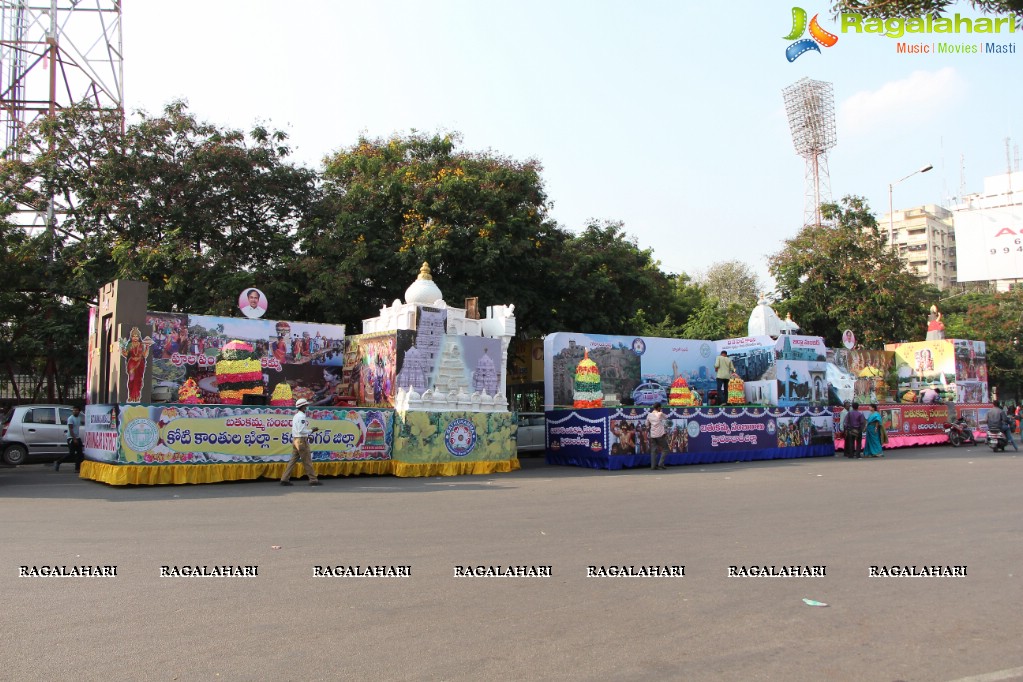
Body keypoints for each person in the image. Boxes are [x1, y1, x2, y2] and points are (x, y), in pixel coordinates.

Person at [280, 399, 322, 486]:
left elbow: (298, 430)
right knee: (307, 461)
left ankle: (284, 478)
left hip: (296, 439)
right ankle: (313, 479)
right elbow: (301, 430)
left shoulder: (296, 416)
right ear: (303, 407)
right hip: (301, 440)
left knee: (292, 460)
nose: (307, 407)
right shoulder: (302, 416)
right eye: (306, 406)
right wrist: (312, 430)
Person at [54, 406, 84, 472]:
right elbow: (70, 429)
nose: (75, 411)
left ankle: (77, 468)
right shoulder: (70, 418)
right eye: (74, 410)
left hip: (77, 437)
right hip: (71, 437)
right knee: (71, 454)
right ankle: (58, 462)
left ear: (79, 411)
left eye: (76, 410)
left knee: (80, 454)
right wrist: (74, 439)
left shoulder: (79, 418)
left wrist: (77, 438)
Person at [647, 402, 669, 470]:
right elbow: (666, 417)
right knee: (665, 449)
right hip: (660, 434)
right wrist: (661, 412)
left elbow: (647, 424)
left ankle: (653, 466)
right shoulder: (660, 413)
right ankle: (660, 464)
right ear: (659, 408)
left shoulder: (649, 415)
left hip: (653, 434)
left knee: (654, 450)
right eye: (660, 407)